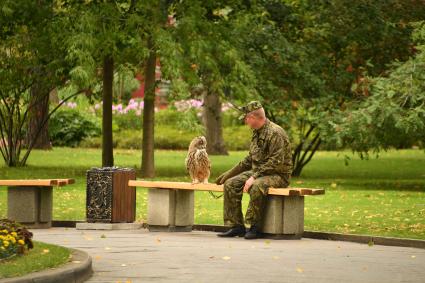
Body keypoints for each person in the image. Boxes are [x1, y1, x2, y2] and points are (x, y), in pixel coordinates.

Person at [216, 101, 292, 239]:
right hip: (260, 172)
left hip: (278, 175)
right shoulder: (257, 132)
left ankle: (254, 227)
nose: (245, 121)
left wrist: (254, 177)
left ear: (255, 117)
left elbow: (275, 162)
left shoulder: (275, 133)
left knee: (256, 186)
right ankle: (236, 226)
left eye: (247, 118)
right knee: (231, 184)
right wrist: (228, 174)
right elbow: (250, 159)